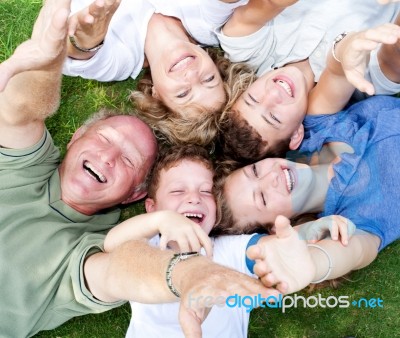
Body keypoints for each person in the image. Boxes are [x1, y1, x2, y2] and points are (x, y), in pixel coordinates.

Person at [0, 1, 279, 337]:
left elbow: (117, 271)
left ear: (136, 193)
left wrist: (184, 275)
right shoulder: (27, 165)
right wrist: (45, 61)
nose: (107, 157)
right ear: (74, 139)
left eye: (128, 160)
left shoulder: (94, 246)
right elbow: (21, 112)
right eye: (103, 138)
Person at [103, 144, 354, 338]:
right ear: (152, 207)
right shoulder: (145, 247)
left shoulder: (227, 249)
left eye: (205, 191)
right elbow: (112, 246)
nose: (194, 198)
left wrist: (310, 230)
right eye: (178, 191)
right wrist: (161, 221)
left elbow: (271, 249)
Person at [213, 94, 400, 291]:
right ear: (275, 229)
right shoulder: (354, 218)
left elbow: (337, 78)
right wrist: (313, 263)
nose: (271, 178)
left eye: (255, 171)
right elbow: (355, 252)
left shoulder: (313, 129)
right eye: (262, 198)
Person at [216, 0, 400, 162]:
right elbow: (394, 53)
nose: (273, 94)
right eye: (274, 117)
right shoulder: (363, 81)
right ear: (296, 134)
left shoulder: (248, 51)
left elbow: (256, 12)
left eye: (252, 99)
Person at [63, 0, 248, 147]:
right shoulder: (208, 26)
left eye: (183, 94)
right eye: (209, 79)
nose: (191, 76)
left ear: (156, 95)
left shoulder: (122, 61)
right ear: (215, 66)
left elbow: (76, 54)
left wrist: (86, 39)